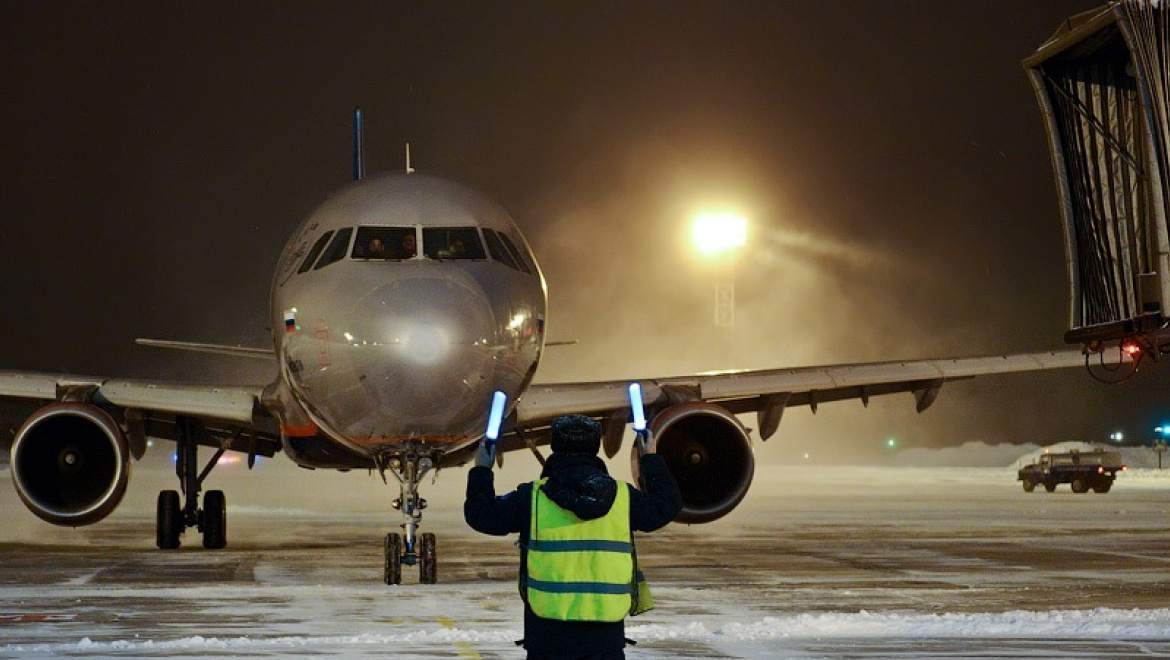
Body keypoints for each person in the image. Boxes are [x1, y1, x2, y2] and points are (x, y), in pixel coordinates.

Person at [465, 414, 682, 660]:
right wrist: (650, 459)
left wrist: (482, 470)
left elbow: (481, 514)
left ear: (555, 445)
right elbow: (667, 505)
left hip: (547, 638)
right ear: (595, 447)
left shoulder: (533, 497)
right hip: (605, 640)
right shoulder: (623, 497)